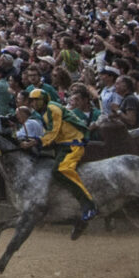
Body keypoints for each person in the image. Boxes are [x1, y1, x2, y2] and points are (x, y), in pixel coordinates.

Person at [21, 87, 98, 238]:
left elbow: (53, 131)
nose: (34, 103)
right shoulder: (43, 113)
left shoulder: (53, 108)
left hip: (74, 143)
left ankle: (88, 204)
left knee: (62, 169)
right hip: (62, 144)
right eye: (31, 101)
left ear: (43, 99)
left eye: (36, 100)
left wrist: (36, 142)